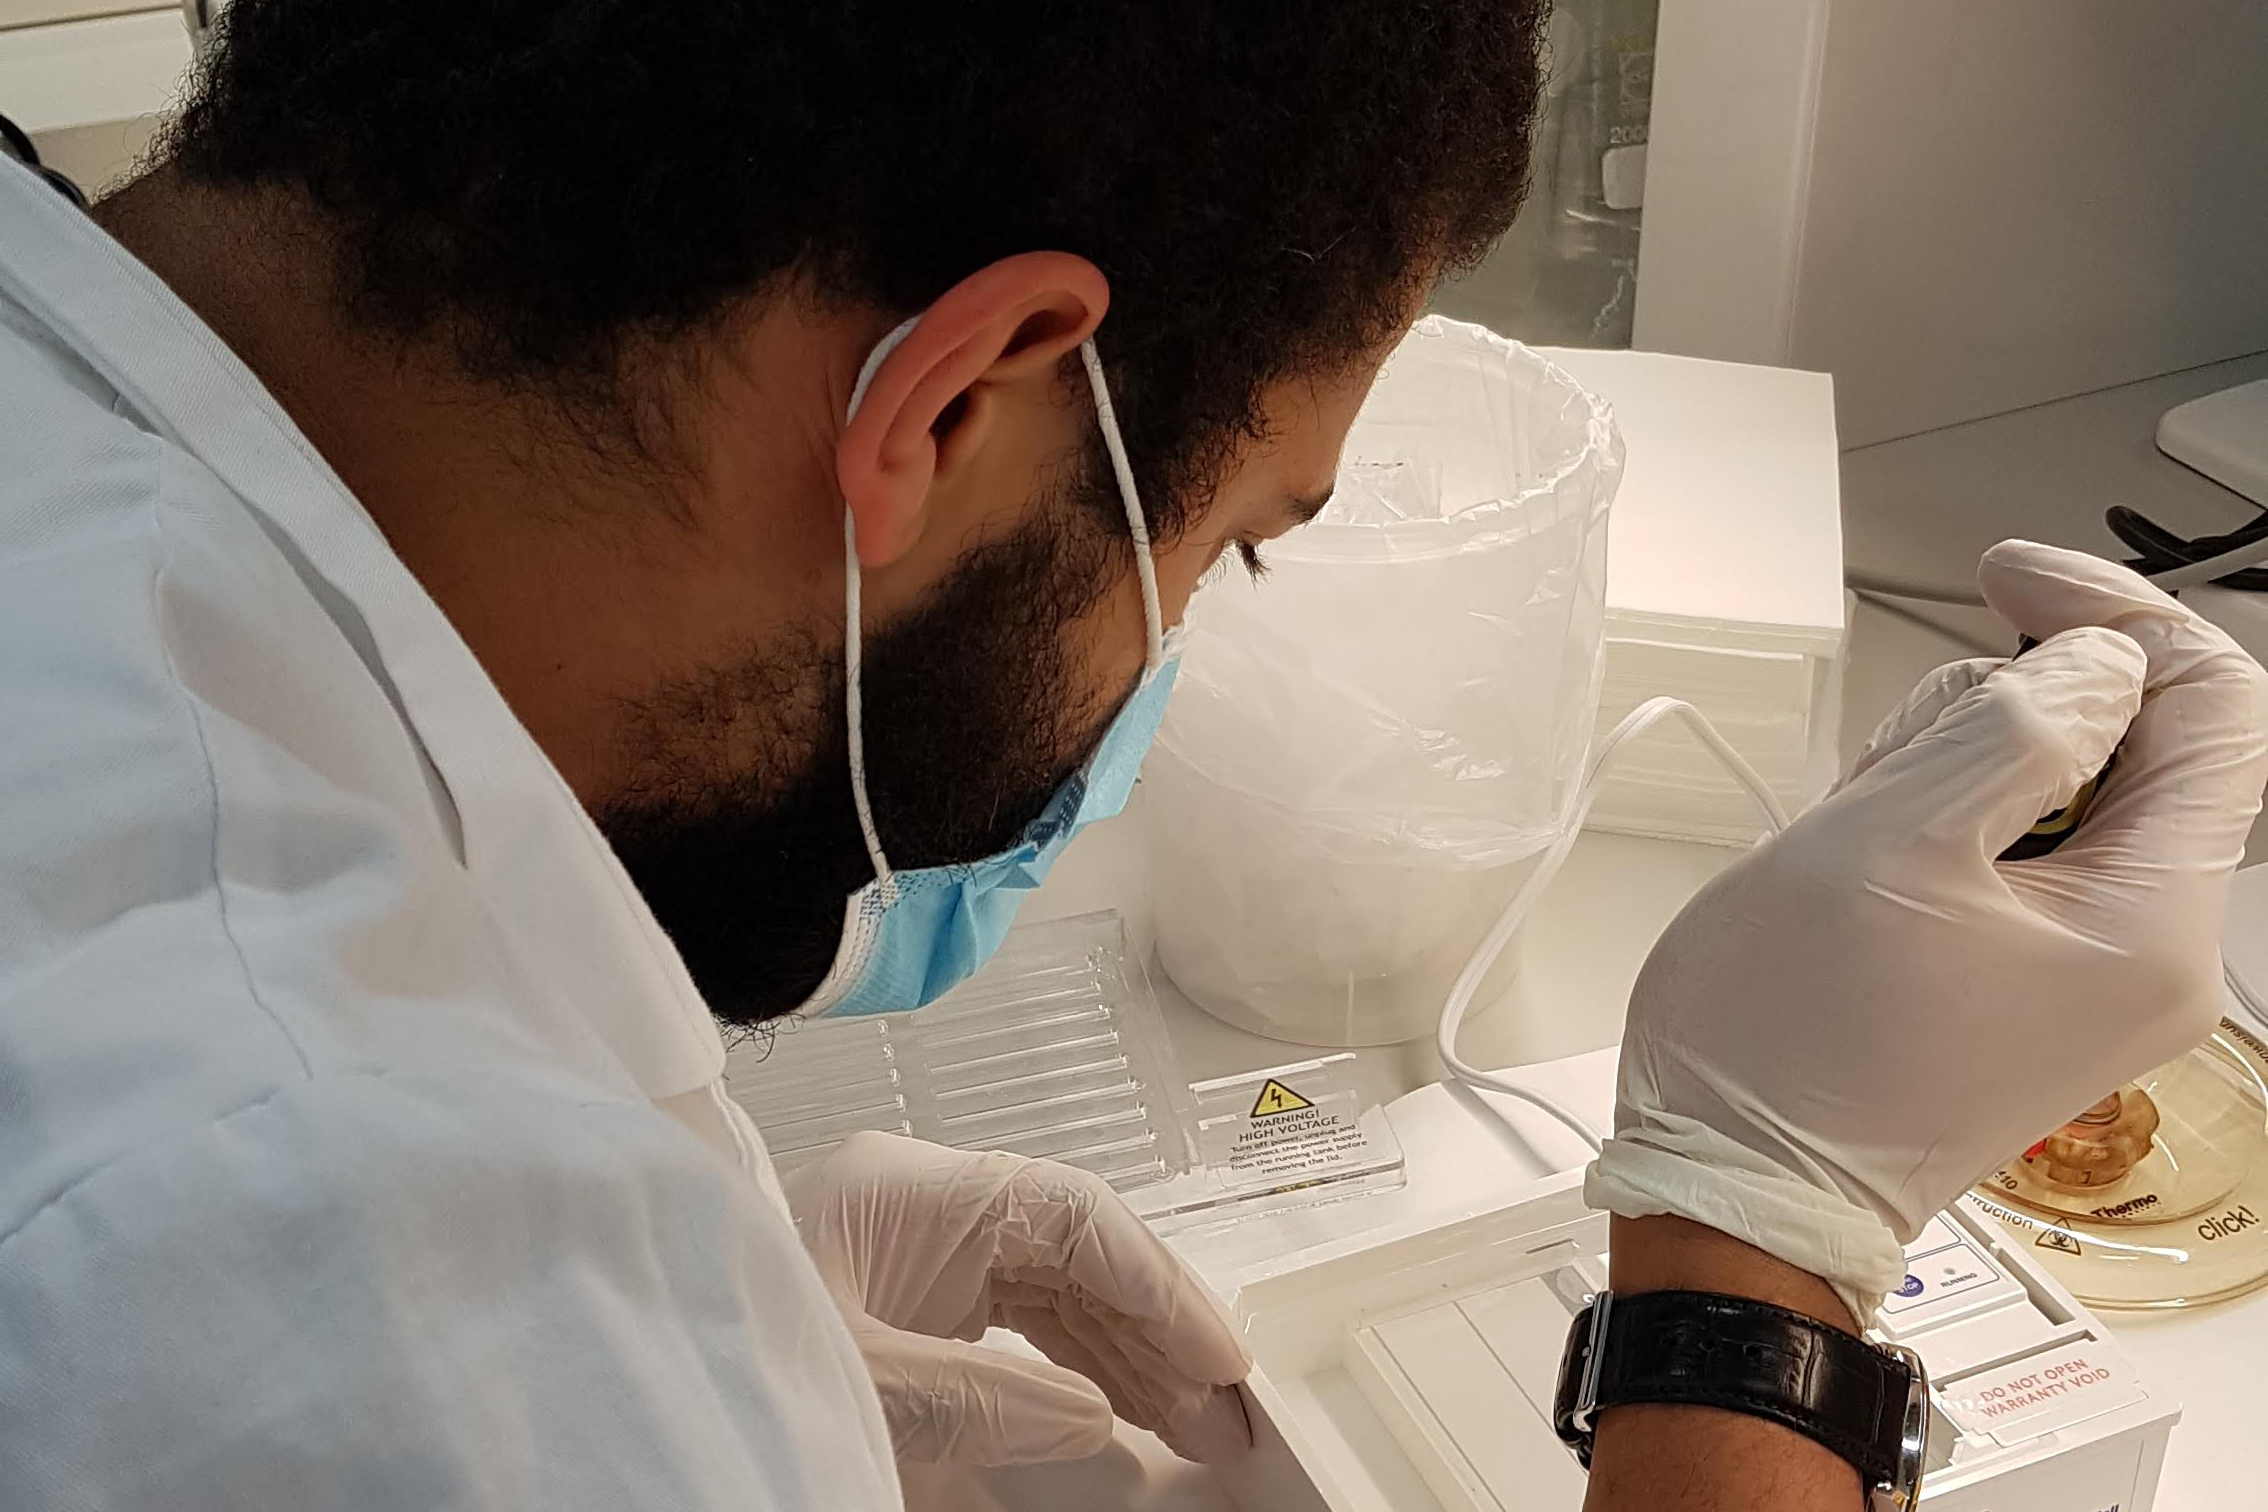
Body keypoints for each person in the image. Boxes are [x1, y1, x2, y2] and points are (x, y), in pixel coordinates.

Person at [0, 4, 2259, 1511]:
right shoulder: (315, 1249)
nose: (1184, 643)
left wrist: (714, 1286)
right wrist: (1755, 1271)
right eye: (1241, 549)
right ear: (958, 405)